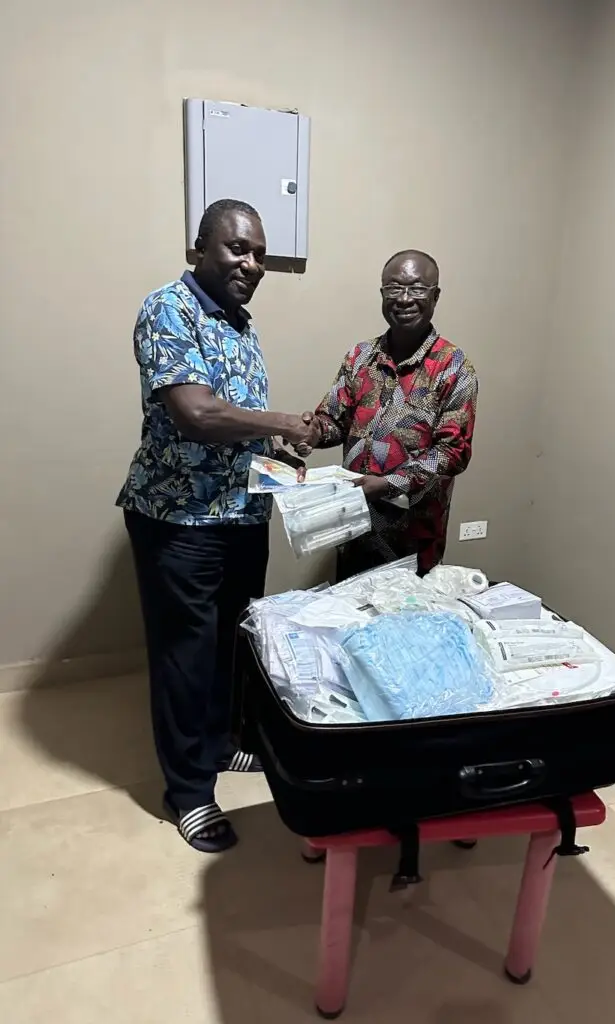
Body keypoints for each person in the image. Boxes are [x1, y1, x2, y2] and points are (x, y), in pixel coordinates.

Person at [117, 199, 319, 853]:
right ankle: (187, 792)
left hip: (241, 516)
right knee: (186, 657)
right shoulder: (168, 310)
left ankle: (217, 745)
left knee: (230, 647)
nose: (251, 263)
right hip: (180, 521)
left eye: (259, 253)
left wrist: (280, 455)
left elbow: (235, 429)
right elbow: (197, 415)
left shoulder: (241, 326)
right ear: (198, 248)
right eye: (237, 248)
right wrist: (283, 421)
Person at [311, 250, 478, 579]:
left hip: (412, 538)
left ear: (435, 296)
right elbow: (334, 422)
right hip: (353, 525)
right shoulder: (360, 356)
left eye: (417, 288)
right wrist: (309, 432)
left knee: (405, 611)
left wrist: (388, 484)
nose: (404, 298)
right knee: (348, 605)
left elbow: (452, 452)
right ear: (382, 293)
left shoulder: (453, 366)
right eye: (394, 288)